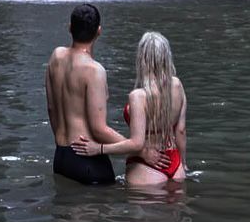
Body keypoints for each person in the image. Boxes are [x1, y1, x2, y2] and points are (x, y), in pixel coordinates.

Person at [45, 3, 168, 185]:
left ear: (70, 27)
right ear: (99, 31)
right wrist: (140, 150)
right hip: (87, 159)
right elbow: (98, 129)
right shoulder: (94, 71)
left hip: (61, 156)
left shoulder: (56, 56)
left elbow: (51, 108)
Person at [71, 30, 187, 186]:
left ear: (142, 59)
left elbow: (137, 144)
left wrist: (99, 148)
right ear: (166, 57)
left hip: (146, 166)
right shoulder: (177, 85)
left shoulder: (138, 96)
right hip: (174, 161)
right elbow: (181, 130)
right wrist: (183, 163)